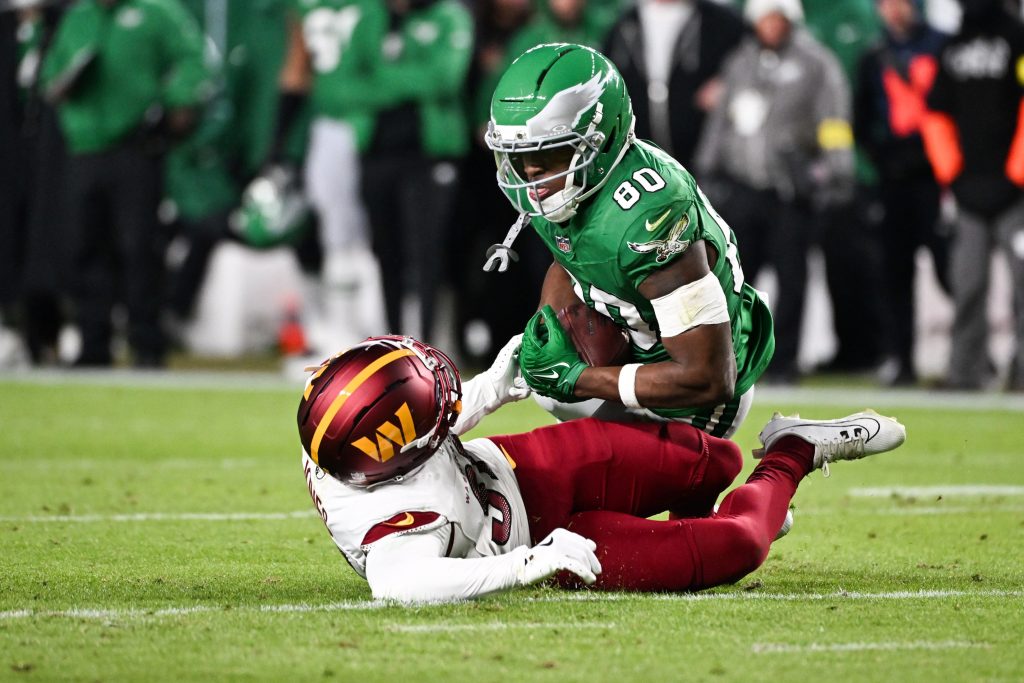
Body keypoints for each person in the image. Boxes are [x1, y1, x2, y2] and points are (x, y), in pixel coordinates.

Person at [297, 335, 906, 602]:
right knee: (741, 545)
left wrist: (489, 391)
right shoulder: (395, 525)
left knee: (714, 459)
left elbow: (427, 430)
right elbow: (400, 586)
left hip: (517, 470)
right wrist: (531, 563)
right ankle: (791, 454)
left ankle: (707, 525)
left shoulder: (344, 438)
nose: (444, 392)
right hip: (548, 547)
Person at [483, 43, 775, 439]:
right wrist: (542, 341)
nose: (531, 178)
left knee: (566, 481)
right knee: (554, 413)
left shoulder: (647, 214)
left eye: (549, 155)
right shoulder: (567, 188)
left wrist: (580, 378)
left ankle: (791, 451)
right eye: (518, 159)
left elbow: (708, 377)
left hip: (697, 398)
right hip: (638, 348)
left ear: (601, 139)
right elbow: (570, 258)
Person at [40, 0, 212, 367]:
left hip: (136, 147)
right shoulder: (79, 16)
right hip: (82, 148)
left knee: (139, 247)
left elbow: (194, 62)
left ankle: (147, 344)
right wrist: (63, 85)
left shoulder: (157, 12)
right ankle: (93, 344)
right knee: (85, 247)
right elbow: (50, 74)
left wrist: (170, 107)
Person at [694, 0, 854, 384]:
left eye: (777, 17)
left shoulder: (816, 63)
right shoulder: (740, 62)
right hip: (742, 187)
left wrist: (836, 170)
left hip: (789, 190)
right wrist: (705, 169)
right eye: (764, 17)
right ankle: (734, 357)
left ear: (790, 19)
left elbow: (833, 119)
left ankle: (784, 362)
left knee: (792, 277)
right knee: (733, 277)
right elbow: (720, 122)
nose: (770, 25)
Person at [920, 0, 1024, 391]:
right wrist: (953, 175)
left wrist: (1016, 174)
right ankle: (966, 373)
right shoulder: (953, 46)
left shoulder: (1017, 39)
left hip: (1017, 192)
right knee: (968, 286)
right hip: (970, 191)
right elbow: (936, 114)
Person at [854, 0, 948, 386]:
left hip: (938, 175)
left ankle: (971, 353)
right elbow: (860, 119)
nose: (894, 9)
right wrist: (880, 161)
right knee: (894, 273)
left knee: (952, 269)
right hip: (892, 179)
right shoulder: (873, 56)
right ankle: (900, 359)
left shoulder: (943, 46)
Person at [602, 0, 747, 167]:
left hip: (701, 158)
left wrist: (728, 85)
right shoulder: (626, 24)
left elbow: (753, 58)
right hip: (641, 158)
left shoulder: (719, 21)